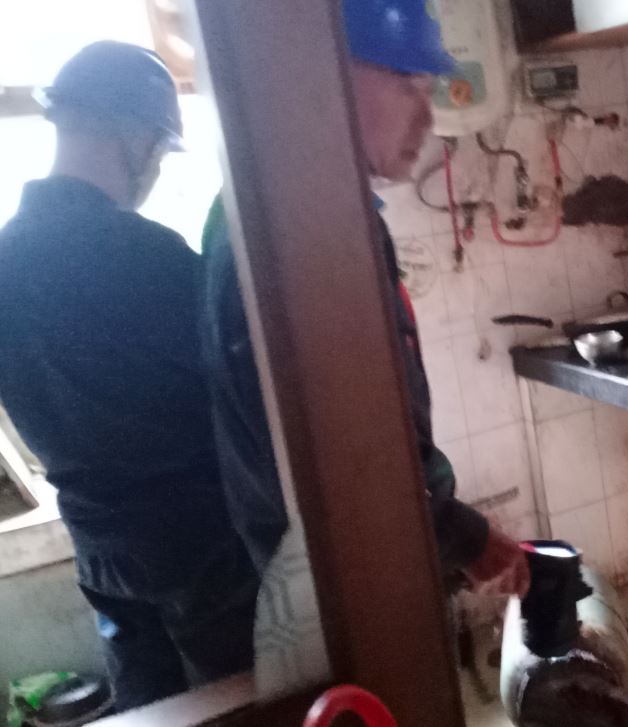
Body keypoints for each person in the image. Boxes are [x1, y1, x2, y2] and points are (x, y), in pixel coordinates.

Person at [202, 0, 530, 595]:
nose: (428, 119)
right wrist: (459, 536)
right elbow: (355, 445)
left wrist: (449, 537)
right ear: (325, 72)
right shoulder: (307, 224)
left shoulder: (255, 201)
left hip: (313, 564)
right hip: (339, 579)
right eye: (409, 86)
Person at [0, 42, 258, 712]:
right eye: (160, 150)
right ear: (135, 136)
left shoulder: (5, 261)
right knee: (244, 708)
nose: (155, 169)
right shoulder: (147, 257)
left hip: (99, 551)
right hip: (200, 548)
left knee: (149, 710)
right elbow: (245, 390)